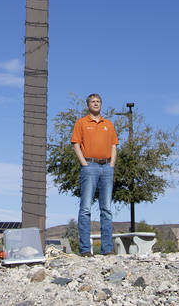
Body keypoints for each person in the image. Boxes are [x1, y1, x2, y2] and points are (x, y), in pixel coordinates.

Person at [71, 93, 117, 256]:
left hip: (106, 167)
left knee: (106, 209)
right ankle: (85, 249)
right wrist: (83, 162)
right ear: (88, 105)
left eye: (98, 101)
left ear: (101, 104)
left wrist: (111, 164)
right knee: (85, 208)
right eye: (93, 101)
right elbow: (76, 144)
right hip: (89, 166)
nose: (96, 104)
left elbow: (113, 145)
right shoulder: (81, 123)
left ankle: (107, 249)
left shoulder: (108, 124)